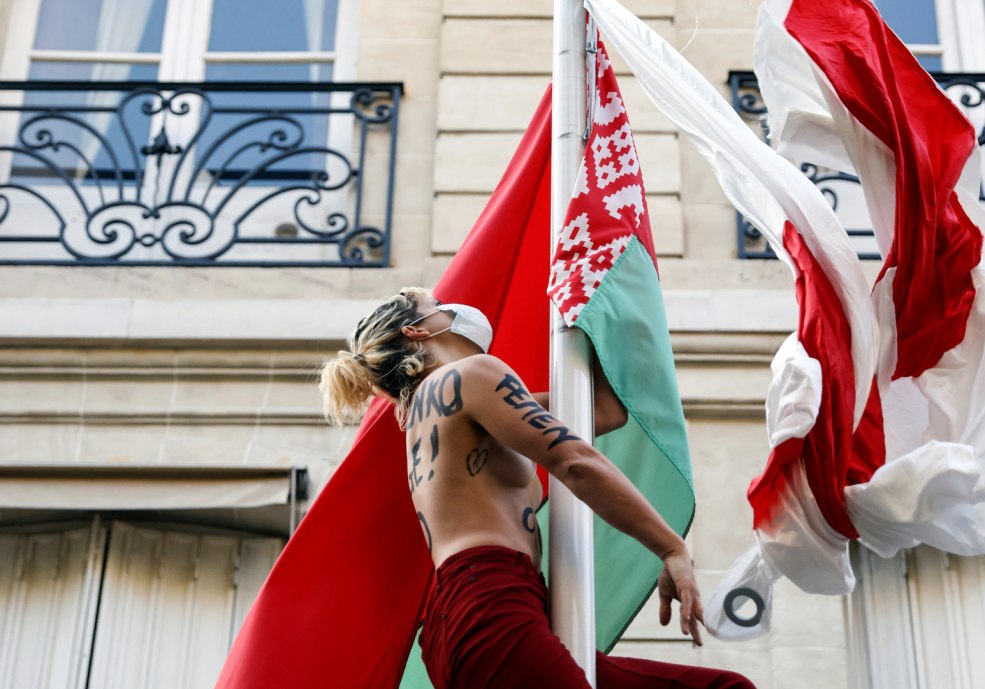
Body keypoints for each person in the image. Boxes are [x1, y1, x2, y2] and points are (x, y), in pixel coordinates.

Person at [321, 288, 756, 689]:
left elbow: (601, 411)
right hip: (489, 602)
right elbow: (576, 461)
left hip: (464, 616)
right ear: (417, 329)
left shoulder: (429, 408)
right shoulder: (471, 375)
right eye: (439, 303)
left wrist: (591, 304)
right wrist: (670, 548)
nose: (455, 309)